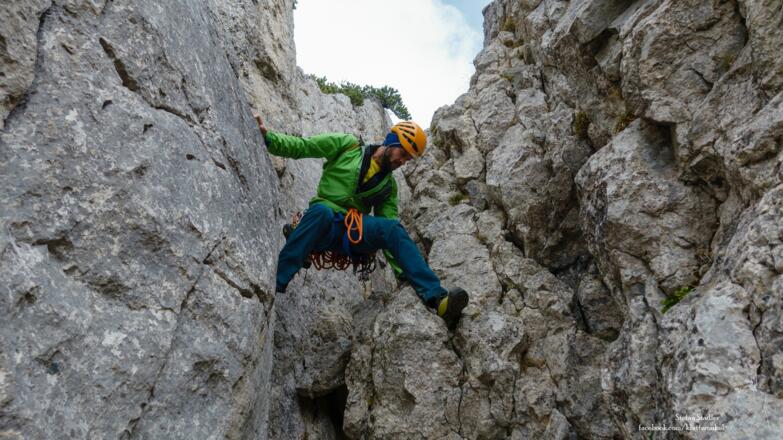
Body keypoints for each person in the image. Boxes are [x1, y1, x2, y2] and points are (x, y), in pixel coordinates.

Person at [253, 113, 469, 328]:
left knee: (392, 228)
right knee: (322, 212)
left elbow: (388, 231)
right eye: (402, 153)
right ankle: (275, 283)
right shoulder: (347, 146)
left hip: (351, 232)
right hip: (323, 222)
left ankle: (437, 299)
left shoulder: (388, 187)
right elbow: (303, 146)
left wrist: (402, 273)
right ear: (392, 141)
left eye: (407, 159)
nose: (402, 162)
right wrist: (268, 138)